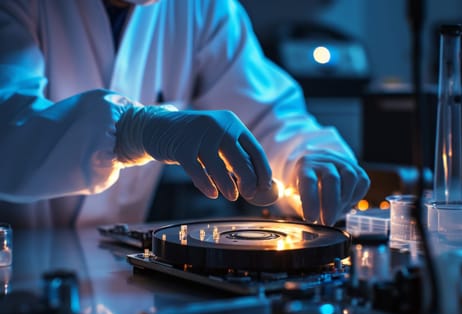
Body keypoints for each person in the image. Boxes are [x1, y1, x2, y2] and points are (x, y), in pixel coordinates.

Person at [0, 0, 370, 229]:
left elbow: (263, 118)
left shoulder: (203, 7)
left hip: (111, 270)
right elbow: (7, 129)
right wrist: (132, 131)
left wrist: (307, 156)